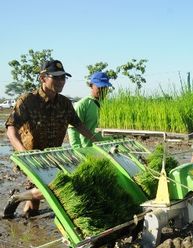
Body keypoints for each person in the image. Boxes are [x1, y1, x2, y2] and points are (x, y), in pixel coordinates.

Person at [3, 60, 96, 218]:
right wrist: (23, 153)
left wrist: (96, 141)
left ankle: (21, 206)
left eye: (63, 78)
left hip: (52, 157)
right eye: (56, 77)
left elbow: (79, 125)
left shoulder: (65, 103)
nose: (61, 82)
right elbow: (11, 128)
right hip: (31, 157)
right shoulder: (27, 101)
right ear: (43, 78)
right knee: (50, 189)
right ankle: (19, 203)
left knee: (38, 201)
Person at [68, 72, 112, 148]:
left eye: (105, 87)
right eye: (99, 87)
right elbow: (72, 129)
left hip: (109, 148)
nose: (103, 90)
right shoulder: (82, 105)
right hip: (89, 149)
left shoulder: (110, 105)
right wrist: (78, 150)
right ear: (91, 86)